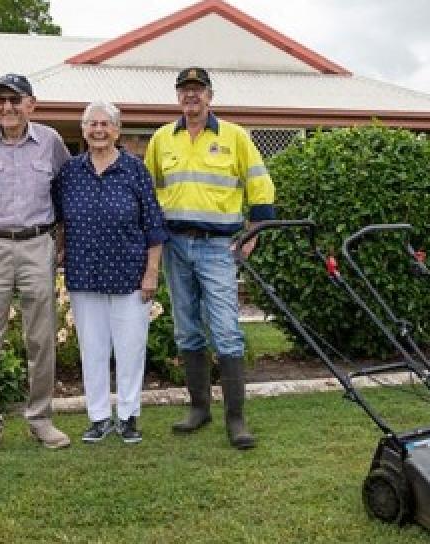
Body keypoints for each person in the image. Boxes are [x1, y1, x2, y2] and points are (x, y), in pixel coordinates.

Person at [144, 67, 276, 450]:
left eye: (198, 90)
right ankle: (199, 409)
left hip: (218, 247)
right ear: (177, 97)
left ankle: (236, 420)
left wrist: (253, 234)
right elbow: (148, 191)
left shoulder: (235, 137)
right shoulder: (162, 139)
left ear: (210, 96)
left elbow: (260, 185)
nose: (191, 96)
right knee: (186, 328)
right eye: (185, 90)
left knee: (226, 330)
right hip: (175, 246)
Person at [0, 73, 72, 458]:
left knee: (41, 338)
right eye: (0, 101)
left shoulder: (51, 142)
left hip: (38, 244)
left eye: (15, 100)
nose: (7, 107)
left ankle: (41, 420)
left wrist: (62, 244)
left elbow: (66, 193)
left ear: (31, 105)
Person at [53, 101, 167, 444]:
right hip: (84, 274)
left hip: (130, 275)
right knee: (93, 348)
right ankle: (99, 417)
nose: (98, 130)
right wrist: (59, 250)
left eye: (105, 124)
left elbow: (154, 225)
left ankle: (129, 416)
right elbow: (59, 218)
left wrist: (151, 272)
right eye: (92, 124)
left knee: (131, 348)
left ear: (117, 130)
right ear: (84, 130)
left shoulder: (135, 170)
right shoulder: (71, 172)